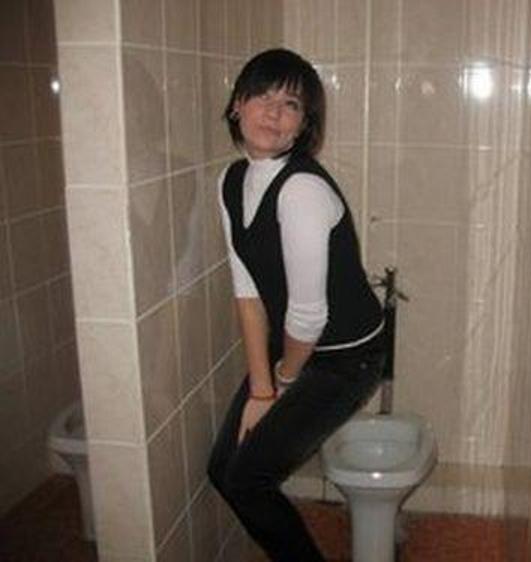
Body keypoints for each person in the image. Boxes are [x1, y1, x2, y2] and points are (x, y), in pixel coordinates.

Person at [207, 48, 385, 562]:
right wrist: (260, 389)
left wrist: (279, 387)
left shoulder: (301, 188)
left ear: (304, 124)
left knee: (247, 481)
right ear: (237, 104)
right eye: (262, 96)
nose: (273, 113)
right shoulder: (232, 181)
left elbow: (310, 315)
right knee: (224, 471)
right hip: (294, 347)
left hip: (346, 358)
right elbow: (247, 291)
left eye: (291, 105)